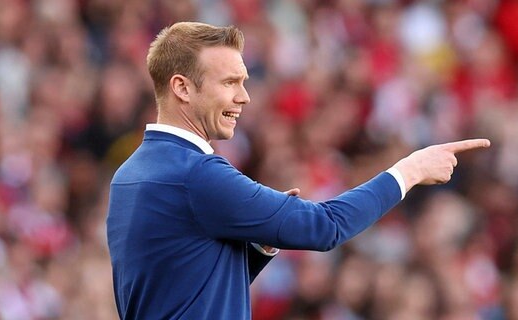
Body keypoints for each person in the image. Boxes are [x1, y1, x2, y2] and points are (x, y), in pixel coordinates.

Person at [106, 21, 490, 319]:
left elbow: (185, 289)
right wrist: (410, 170)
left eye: (244, 82)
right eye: (229, 83)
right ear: (182, 88)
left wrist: (260, 245)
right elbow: (325, 227)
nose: (244, 96)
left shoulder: (128, 175)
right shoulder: (197, 175)